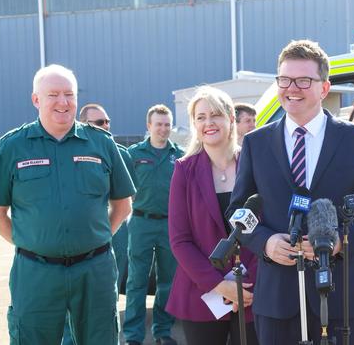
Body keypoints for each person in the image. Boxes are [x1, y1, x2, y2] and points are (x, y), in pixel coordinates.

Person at [228, 39, 354, 345]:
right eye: (284, 80)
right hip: (277, 299)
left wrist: (339, 242)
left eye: (304, 80)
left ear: (324, 88)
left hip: (339, 299)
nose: (292, 88)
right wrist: (265, 242)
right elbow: (238, 211)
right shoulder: (256, 143)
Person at [0, 64, 135, 344]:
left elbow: (123, 205)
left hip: (95, 270)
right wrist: (27, 241)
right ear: (36, 99)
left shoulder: (101, 143)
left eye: (69, 94)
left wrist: (98, 238)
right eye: (53, 94)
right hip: (35, 273)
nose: (63, 102)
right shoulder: (14, 146)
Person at [166, 86, 259, 345]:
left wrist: (246, 283)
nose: (209, 123)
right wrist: (219, 285)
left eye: (215, 115)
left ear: (231, 118)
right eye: (201, 117)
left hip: (253, 292)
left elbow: (270, 225)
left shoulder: (256, 166)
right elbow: (179, 240)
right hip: (202, 293)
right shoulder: (184, 171)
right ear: (194, 124)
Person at [60, 103, 136, 345]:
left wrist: (103, 235)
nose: (106, 127)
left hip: (107, 239)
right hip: (71, 245)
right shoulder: (67, 151)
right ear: (84, 124)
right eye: (99, 123)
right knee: (69, 311)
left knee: (103, 307)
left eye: (107, 122)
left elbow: (124, 202)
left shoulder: (119, 154)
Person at [123, 105, 184, 345]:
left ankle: (162, 331)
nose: (163, 128)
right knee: (136, 281)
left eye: (167, 124)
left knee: (168, 281)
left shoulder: (179, 155)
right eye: (158, 124)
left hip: (170, 225)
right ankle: (133, 336)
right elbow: (121, 185)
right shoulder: (134, 153)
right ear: (149, 126)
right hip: (141, 222)